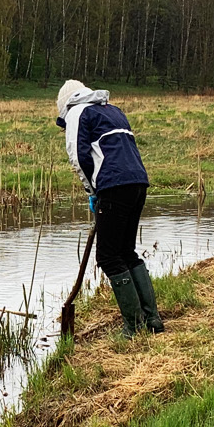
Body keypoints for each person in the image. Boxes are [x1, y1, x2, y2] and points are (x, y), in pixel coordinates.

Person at [56, 79, 162, 336]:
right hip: (138, 182)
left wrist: (92, 192)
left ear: (64, 105)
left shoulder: (76, 113)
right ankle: (152, 321)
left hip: (114, 186)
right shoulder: (112, 109)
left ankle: (133, 326)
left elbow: (78, 157)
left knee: (107, 256)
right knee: (126, 251)